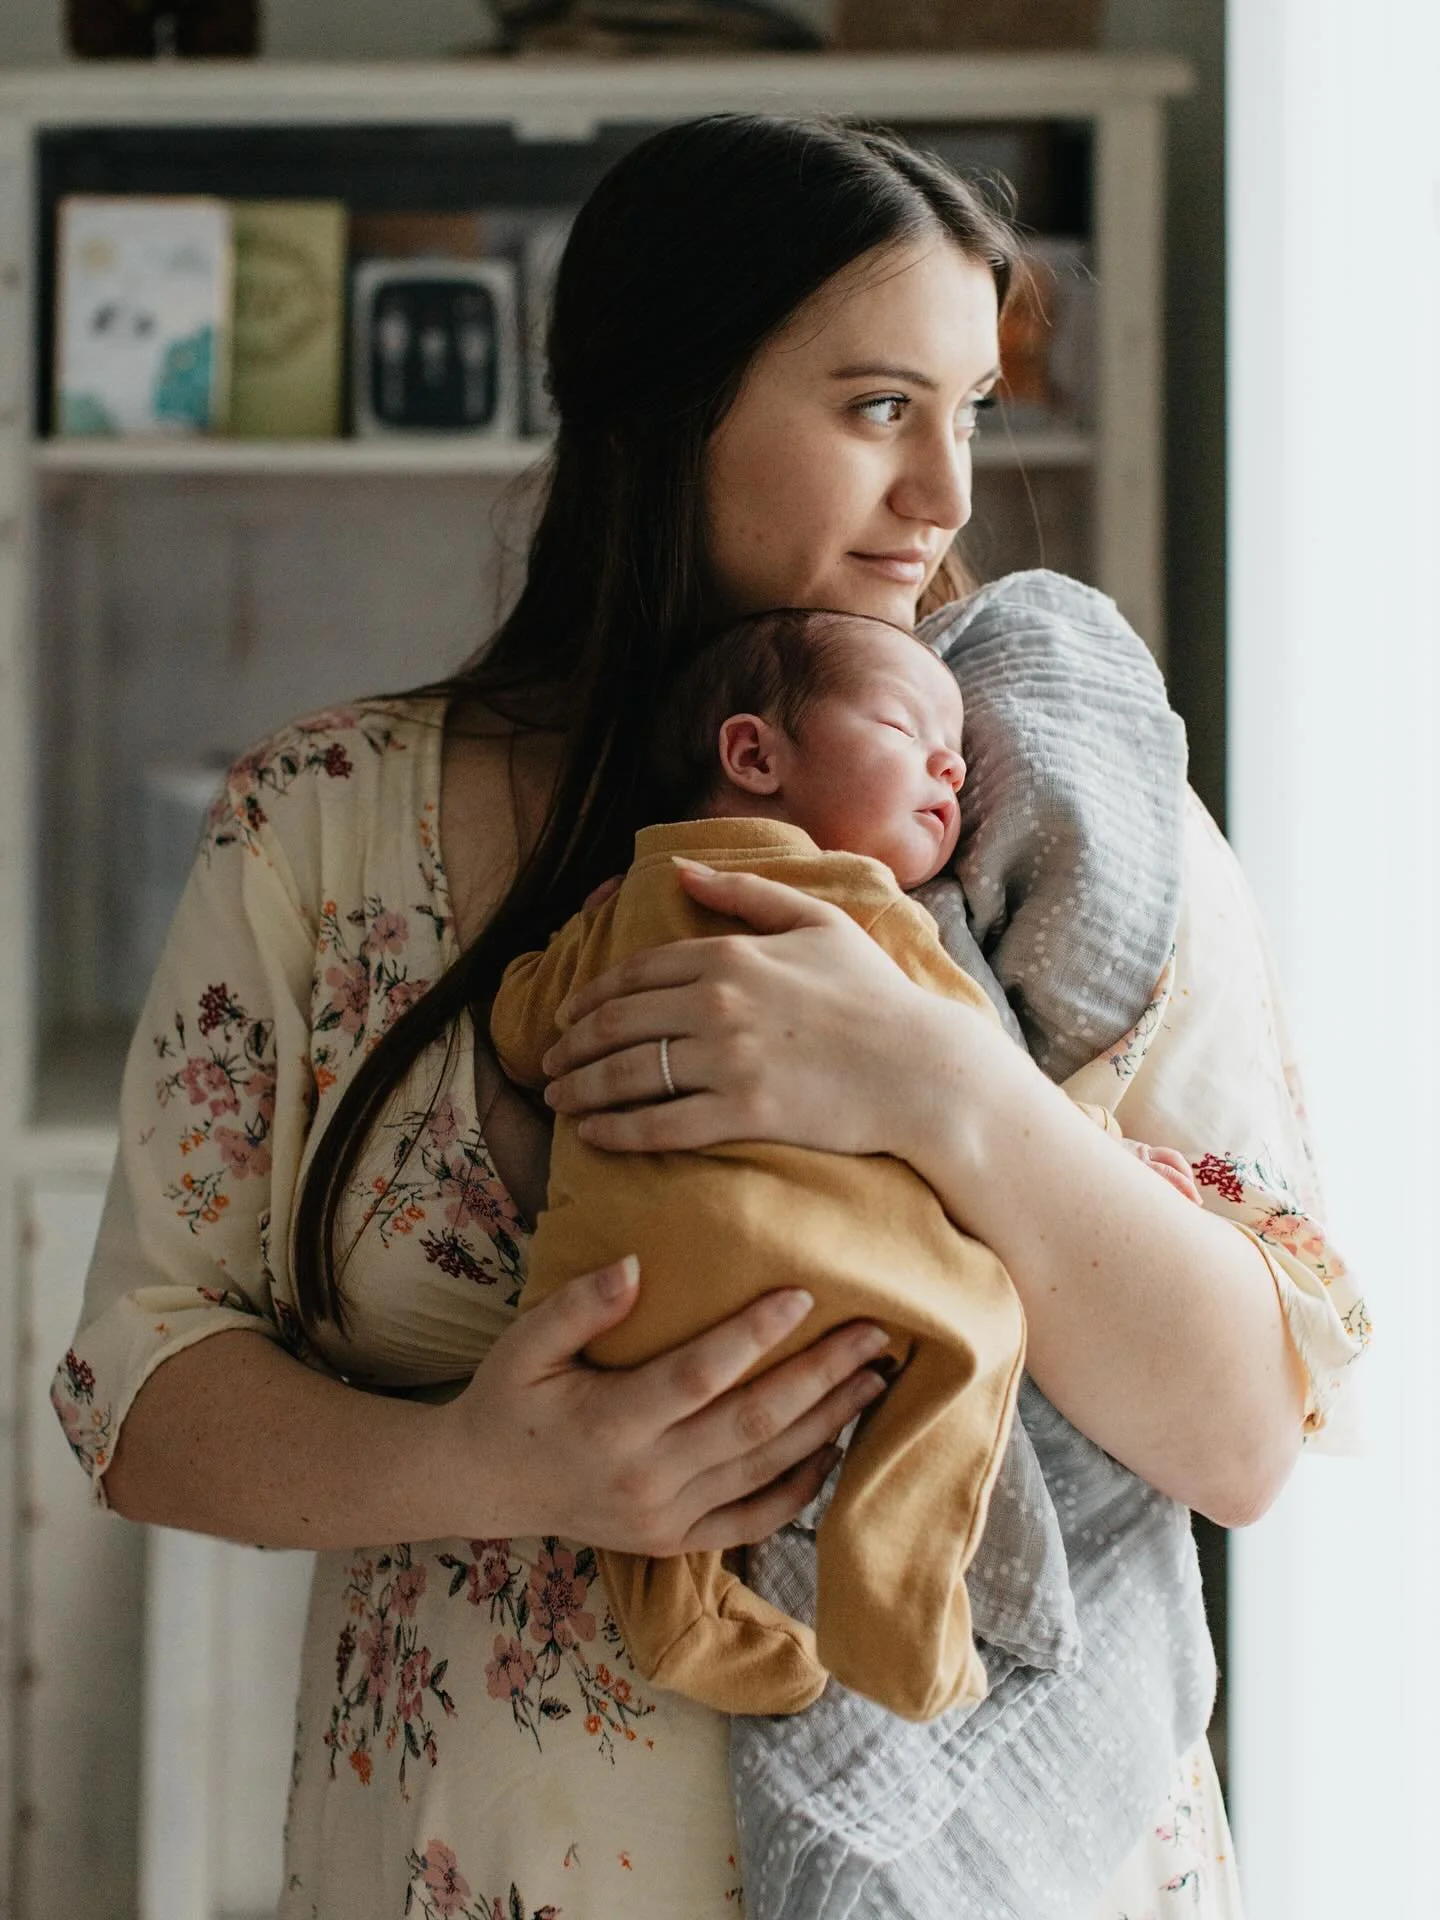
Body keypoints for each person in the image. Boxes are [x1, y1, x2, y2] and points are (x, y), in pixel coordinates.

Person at [52, 114, 1366, 1918]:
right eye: (880, 407)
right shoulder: (327, 824)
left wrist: (941, 1083)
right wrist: (479, 1464)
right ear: (668, 409)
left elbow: (1242, 1438)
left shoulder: (1067, 818)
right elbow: (135, 1392)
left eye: (971, 409)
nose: (949, 494)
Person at [491, 602, 1199, 1726]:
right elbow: (979, 1062)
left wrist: (573, 951)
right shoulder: (867, 909)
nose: (951, 764)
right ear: (753, 754)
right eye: (905, 727)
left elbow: (523, 1033)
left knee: (630, 1450)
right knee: (976, 1330)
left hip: (616, 1292)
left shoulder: (632, 897)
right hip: (824, 1276)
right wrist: (1101, 1153)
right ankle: (891, 1600)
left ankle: (674, 1613)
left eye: (953, 748)